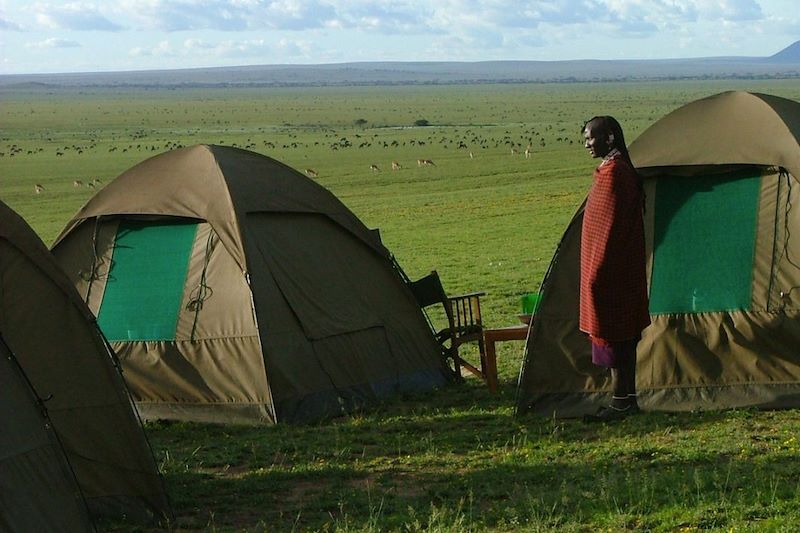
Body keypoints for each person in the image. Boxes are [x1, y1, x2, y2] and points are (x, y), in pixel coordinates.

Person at [579, 116, 650, 422]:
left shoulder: (616, 174)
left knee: (618, 336)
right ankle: (623, 400)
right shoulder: (614, 171)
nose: (587, 144)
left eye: (591, 138)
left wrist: (597, 274)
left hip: (612, 271)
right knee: (621, 335)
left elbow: (609, 230)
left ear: (609, 138)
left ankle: (622, 402)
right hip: (616, 269)